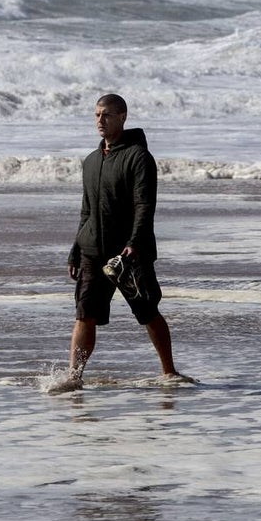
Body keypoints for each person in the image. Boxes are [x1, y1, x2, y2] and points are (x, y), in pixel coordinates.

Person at [64, 93, 185, 389]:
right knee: (85, 315)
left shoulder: (138, 157)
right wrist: (76, 250)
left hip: (129, 253)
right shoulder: (91, 161)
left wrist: (135, 242)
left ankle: (169, 372)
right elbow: (86, 210)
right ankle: (73, 378)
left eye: (106, 115)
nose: (99, 121)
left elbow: (145, 204)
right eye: (96, 115)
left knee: (147, 311)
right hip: (93, 251)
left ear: (122, 117)